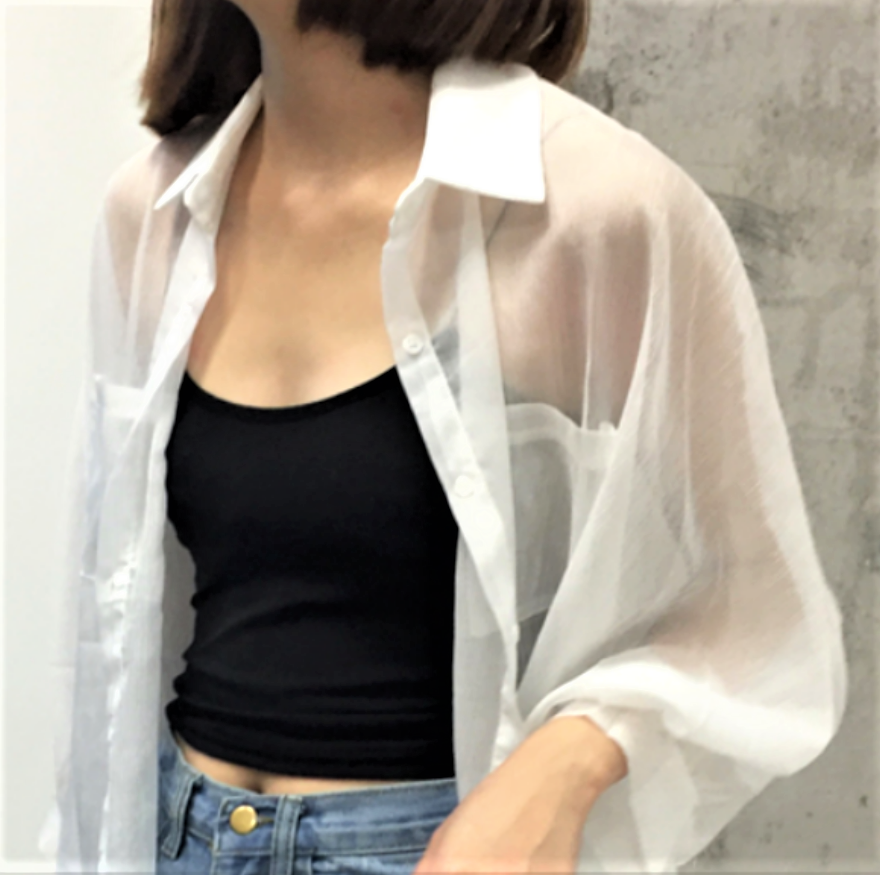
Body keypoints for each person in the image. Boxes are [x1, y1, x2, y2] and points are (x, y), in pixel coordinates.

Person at [40, 0, 848, 873]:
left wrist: (568, 759)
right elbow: (111, 633)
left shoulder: (591, 210)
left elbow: (760, 618)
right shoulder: (152, 212)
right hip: (174, 834)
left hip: (431, 851)